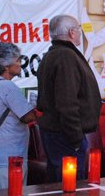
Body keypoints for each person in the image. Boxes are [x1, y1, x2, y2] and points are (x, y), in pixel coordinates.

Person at [37, 14, 100, 182]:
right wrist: (76, 138)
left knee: (59, 184)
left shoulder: (54, 55)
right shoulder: (65, 56)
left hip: (59, 132)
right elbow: (66, 103)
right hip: (65, 134)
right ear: (72, 33)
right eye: (79, 29)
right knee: (69, 187)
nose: (80, 33)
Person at [0, 42, 37, 188]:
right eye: (17, 60)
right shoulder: (8, 87)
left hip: (0, 152)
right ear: (6, 66)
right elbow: (28, 117)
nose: (20, 64)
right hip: (10, 155)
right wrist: (36, 106)